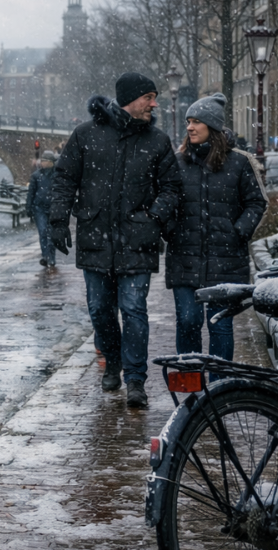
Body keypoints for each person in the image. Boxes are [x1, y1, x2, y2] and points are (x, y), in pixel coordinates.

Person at [48, 72, 182, 408]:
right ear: (131, 99)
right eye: (149, 97)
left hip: (138, 240)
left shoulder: (157, 141)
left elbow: (172, 187)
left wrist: (153, 217)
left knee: (134, 309)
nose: (154, 104)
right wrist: (58, 220)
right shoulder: (86, 135)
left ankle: (135, 378)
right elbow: (64, 178)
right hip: (96, 237)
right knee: (99, 309)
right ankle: (113, 359)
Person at [165, 94, 266, 377]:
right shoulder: (177, 163)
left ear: (212, 126)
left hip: (226, 259)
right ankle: (191, 386)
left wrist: (238, 232)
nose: (190, 127)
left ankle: (220, 388)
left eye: (196, 121)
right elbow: (164, 201)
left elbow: (256, 203)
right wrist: (169, 230)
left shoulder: (239, 163)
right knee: (188, 321)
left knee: (220, 324)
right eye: (188, 121)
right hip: (184, 256)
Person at [28, 151, 59, 267]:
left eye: (45, 160)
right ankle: (45, 256)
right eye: (43, 160)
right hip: (39, 208)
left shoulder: (57, 175)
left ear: (51, 162)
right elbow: (31, 193)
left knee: (51, 233)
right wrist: (29, 207)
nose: (43, 163)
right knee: (43, 232)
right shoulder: (36, 176)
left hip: (53, 208)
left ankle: (51, 257)